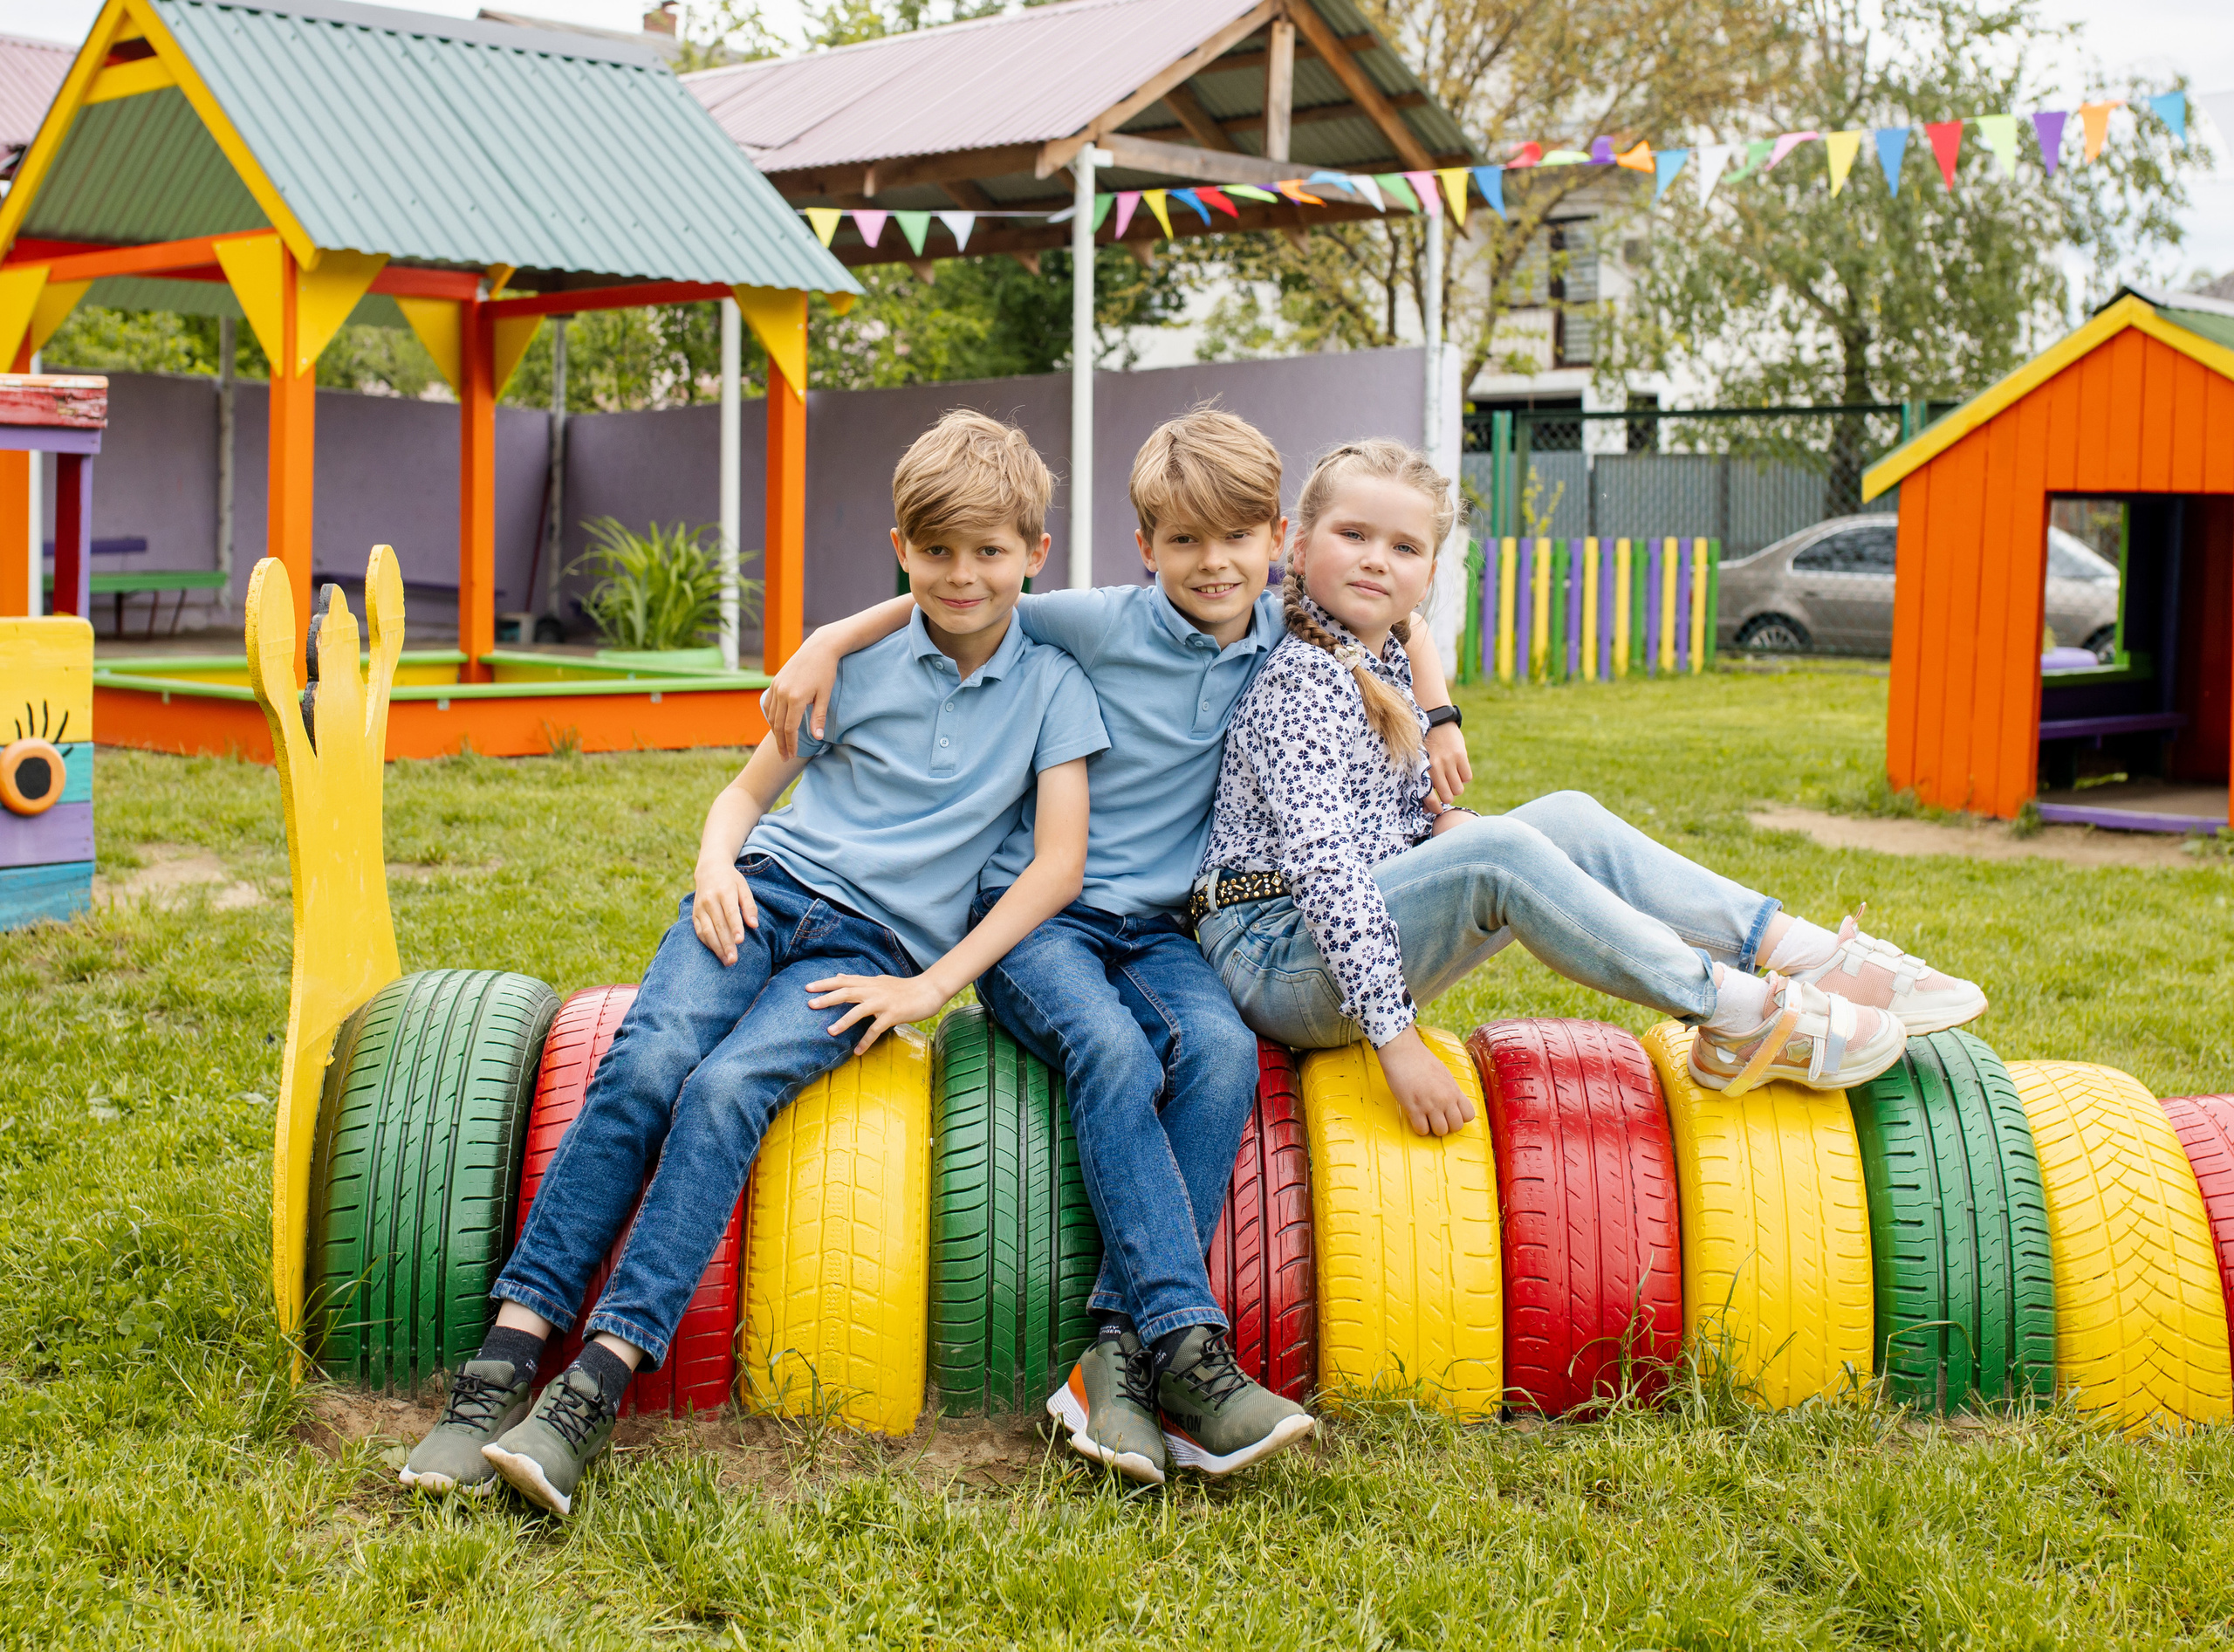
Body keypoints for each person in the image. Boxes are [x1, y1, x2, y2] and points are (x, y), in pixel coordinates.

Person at [400, 411, 1108, 1515]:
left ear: (1035, 556)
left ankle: (594, 1384)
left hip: (877, 947)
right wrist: (716, 865)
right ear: (902, 548)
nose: (961, 576)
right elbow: (741, 797)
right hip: (764, 894)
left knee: (729, 1090)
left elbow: (1055, 869)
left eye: (988, 553)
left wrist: (930, 988)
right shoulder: (856, 663)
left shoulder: (1055, 689)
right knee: (645, 1064)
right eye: (935, 553)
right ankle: (499, 1364)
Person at [764, 409, 1464, 1482]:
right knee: (1117, 1055)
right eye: (1183, 541)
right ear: (1144, 548)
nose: (1211, 563)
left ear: (1276, 541)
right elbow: (960, 597)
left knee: (1222, 1052)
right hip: (1035, 918)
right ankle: (1189, 1345)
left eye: (1235, 539)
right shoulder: (1094, 623)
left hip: (1166, 926)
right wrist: (827, 639)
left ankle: (1113, 1360)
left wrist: (1443, 708)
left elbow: (1397, 619)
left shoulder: (1291, 627)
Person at [1194, 439, 1988, 1137]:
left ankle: (1807, 956)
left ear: (1430, 573)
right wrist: (1397, 1042)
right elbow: (1329, 876)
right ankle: (1739, 1013)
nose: (1375, 558)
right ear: (1296, 548)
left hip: (1334, 939)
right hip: (1277, 959)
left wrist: (1443, 813)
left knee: (1563, 817)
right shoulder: (1298, 682)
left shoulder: (1378, 655)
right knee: (1501, 850)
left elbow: (1386, 804)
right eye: (1353, 535)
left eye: (1403, 546)